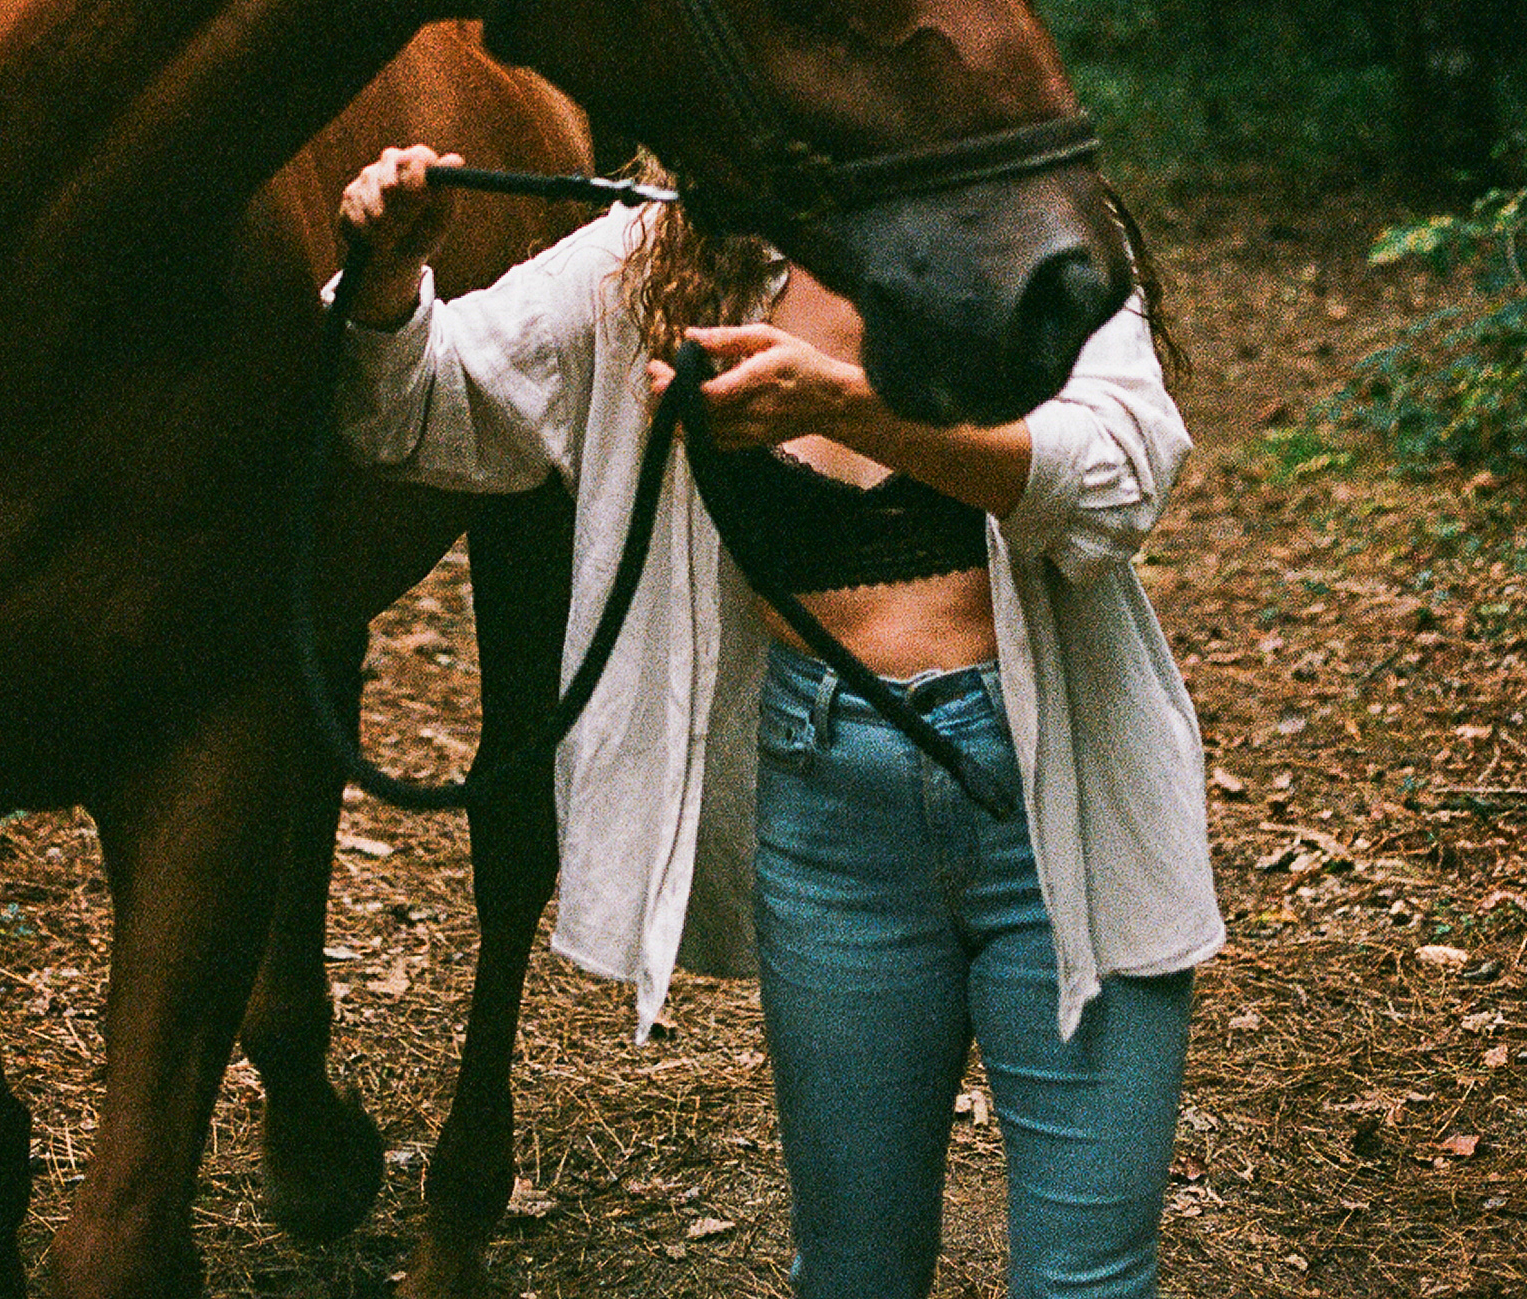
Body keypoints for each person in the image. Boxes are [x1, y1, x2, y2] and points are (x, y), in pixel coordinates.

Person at [331, 146, 1223, 1299]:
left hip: (1063, 797)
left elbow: (1119, 480)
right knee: (851, 1273)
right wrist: (387, 283)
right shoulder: (674, 247)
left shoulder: (1030, 224)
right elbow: (415, 410)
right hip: (828, 811)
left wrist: (849, 407)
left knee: (1087, 1283)